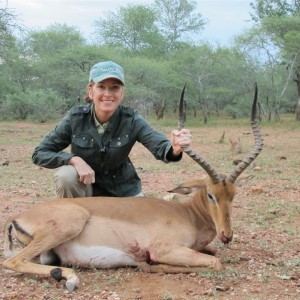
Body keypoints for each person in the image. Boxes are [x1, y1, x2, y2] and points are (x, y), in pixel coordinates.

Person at [32, 61, 192, 198]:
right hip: (87, 191)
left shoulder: (132, 119)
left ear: (122, 93)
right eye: (101, 87)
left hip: (123, 192)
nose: (107, 94)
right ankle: (72, 222)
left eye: (114, 88)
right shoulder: (76, 118)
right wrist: (74, 159)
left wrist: (175, 148)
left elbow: (161, 148)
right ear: (90, 90)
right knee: (66, 175)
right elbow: (40, 153)